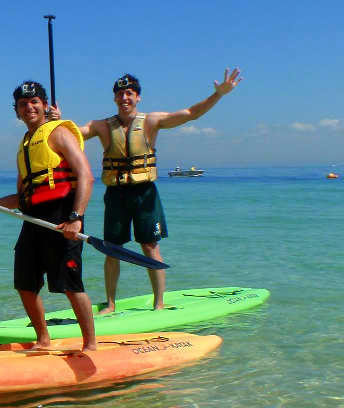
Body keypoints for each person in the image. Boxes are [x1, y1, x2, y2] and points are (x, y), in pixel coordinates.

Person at [52, 69, 242, 313]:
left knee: (150, 247)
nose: (124, 98)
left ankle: (159, 303)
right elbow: (70, 135)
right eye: (120, 94)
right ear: (114, 98)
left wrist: (218, 95)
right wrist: (55, 121)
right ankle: (110, 303)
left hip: (145, 194)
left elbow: (191, 114)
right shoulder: (101, 126)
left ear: (138, 97)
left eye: (129, 93)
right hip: (116, 195)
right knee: (112, 250)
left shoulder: (152, 121)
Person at [0, 81, 97, 351]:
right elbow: (21, 197)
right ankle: (43, 339)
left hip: (63, 219)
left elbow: (86, 175)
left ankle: (91, 346)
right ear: (16, 111)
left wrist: (76, 217)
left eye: (35, 102)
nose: (29, 107)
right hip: (32, 223)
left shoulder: (59, 133)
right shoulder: (25, 145)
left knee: (71, 286)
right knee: (25, 285)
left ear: (44, 104)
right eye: (23, 104)